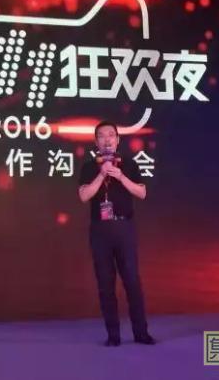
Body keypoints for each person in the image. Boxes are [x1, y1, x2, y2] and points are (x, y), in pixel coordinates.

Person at [78, 120, 155, 346]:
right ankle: (113, 336)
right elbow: (84, 196)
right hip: (100, 231)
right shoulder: (89, 167)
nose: (107, 139)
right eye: (101, 136)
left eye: (111, 135)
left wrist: (120, 176)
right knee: (105, 284)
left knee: (132, 281)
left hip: (124, 228)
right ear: (96, 142)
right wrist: (101, 175)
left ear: (117, 140)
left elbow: (141, 193)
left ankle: (141, 333)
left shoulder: (129, 164)